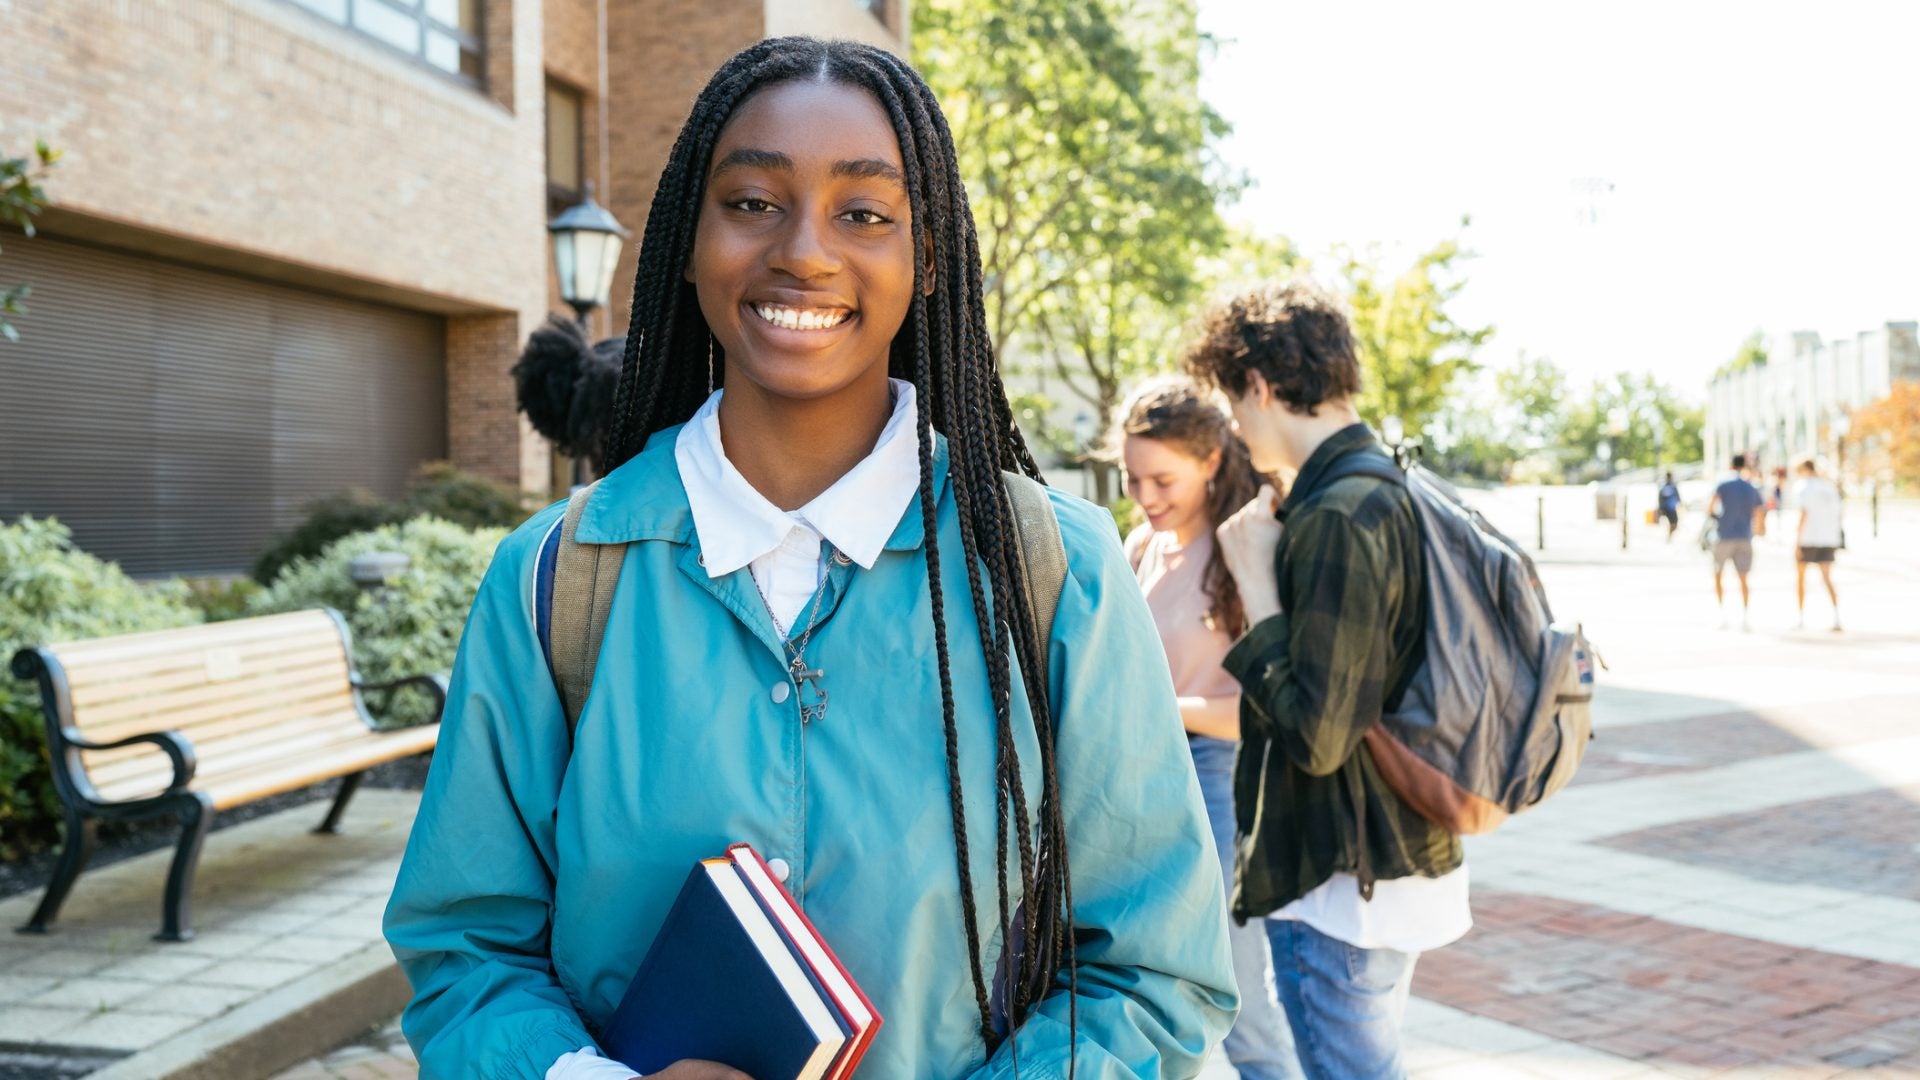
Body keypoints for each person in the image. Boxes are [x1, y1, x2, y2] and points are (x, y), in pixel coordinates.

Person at [382, 38, 1236, 1080]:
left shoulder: (1057, 575)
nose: (805, 250)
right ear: (688, 243)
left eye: (866, 213)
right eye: (752, 201)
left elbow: (1153, 978)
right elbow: (467, 955)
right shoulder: (555, 578)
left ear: (929, 262)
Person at [1186, 282, 1471, 1080]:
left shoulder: (1339, 513)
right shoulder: (1388, 483)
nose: (1237, 432)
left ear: (1260, 387)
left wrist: (1259, 583)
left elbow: (1317, 736)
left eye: (1234, 408)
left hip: (1341, 878)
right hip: (1385, 861)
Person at [1117, 378, 1305, 1080]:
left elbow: (1260, 713)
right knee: (1148, 986)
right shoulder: (1139, 546)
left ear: (1212, 463)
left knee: (1238, 1004)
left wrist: (1161, 706)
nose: (1146, 497)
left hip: (1220, 780)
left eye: (1163, 479)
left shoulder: (1242, 555)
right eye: (1132, 479)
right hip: (1142, 777)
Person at [1709, 454, 1767, 630]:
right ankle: (1745, 616)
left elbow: (1711, 507)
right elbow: (1759, 513)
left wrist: (1716, 518)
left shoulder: (1723, 484)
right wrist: (1758, 530)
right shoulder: (1751, 487)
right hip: (1744, 535)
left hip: (1723, 535)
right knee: (1743, 577)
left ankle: (1721, 613)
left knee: (1718, 575)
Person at [1791, 458, 1844, 632]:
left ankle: (1800, 617)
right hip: (1827, 538)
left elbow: (1803, 514)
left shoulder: (1802, 487)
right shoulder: (1828, 488)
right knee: (1827, 578)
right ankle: (1836, 617)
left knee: (1801, 578)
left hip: (1808, 538)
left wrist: (1797, 542)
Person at [1657, 471, 1682, 542]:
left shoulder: (1670, 486)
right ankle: (1669, 535)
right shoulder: (1667, 487)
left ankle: (1669, 535)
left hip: (1669, 508)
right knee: (1673, 523)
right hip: (1669, 509)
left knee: (1674, 524)